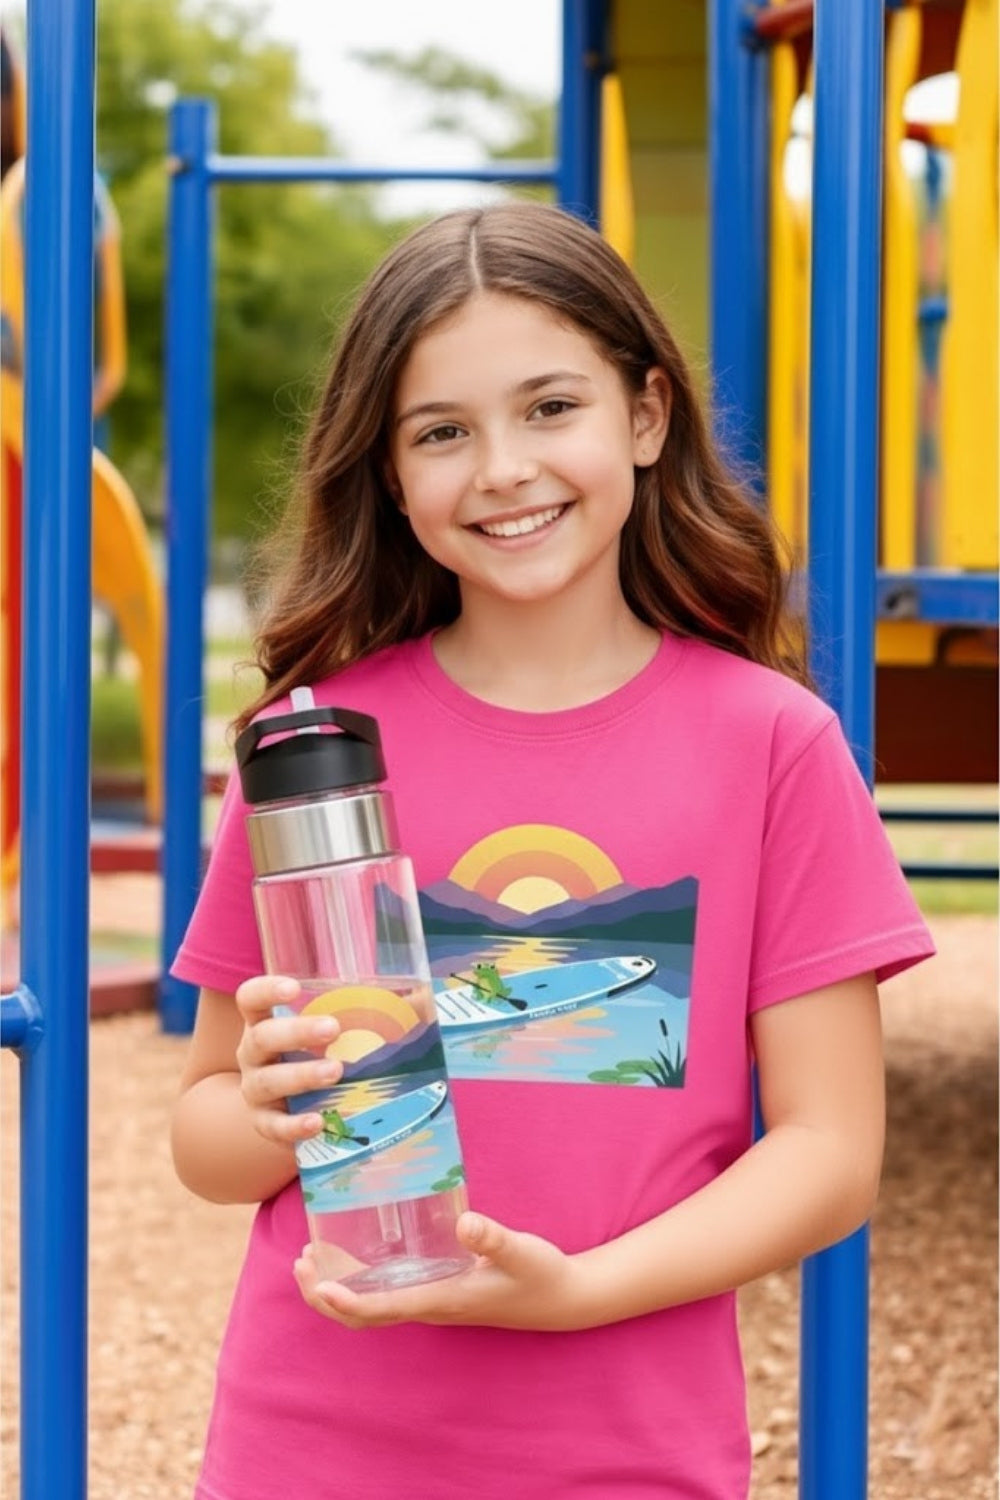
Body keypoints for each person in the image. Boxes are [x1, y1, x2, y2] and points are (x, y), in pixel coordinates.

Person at [170, 200, 935, 1500]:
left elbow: (828, 1151)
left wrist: (577, 1293)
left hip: (628, 1452)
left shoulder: (772, 745)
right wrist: (262, 1106)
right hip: (309, 1444)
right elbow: (203, 1141)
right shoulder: (313, 748)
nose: (503, 468)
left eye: (549, 408)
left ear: (645, 416)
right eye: (442, 432)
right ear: (390, 473)